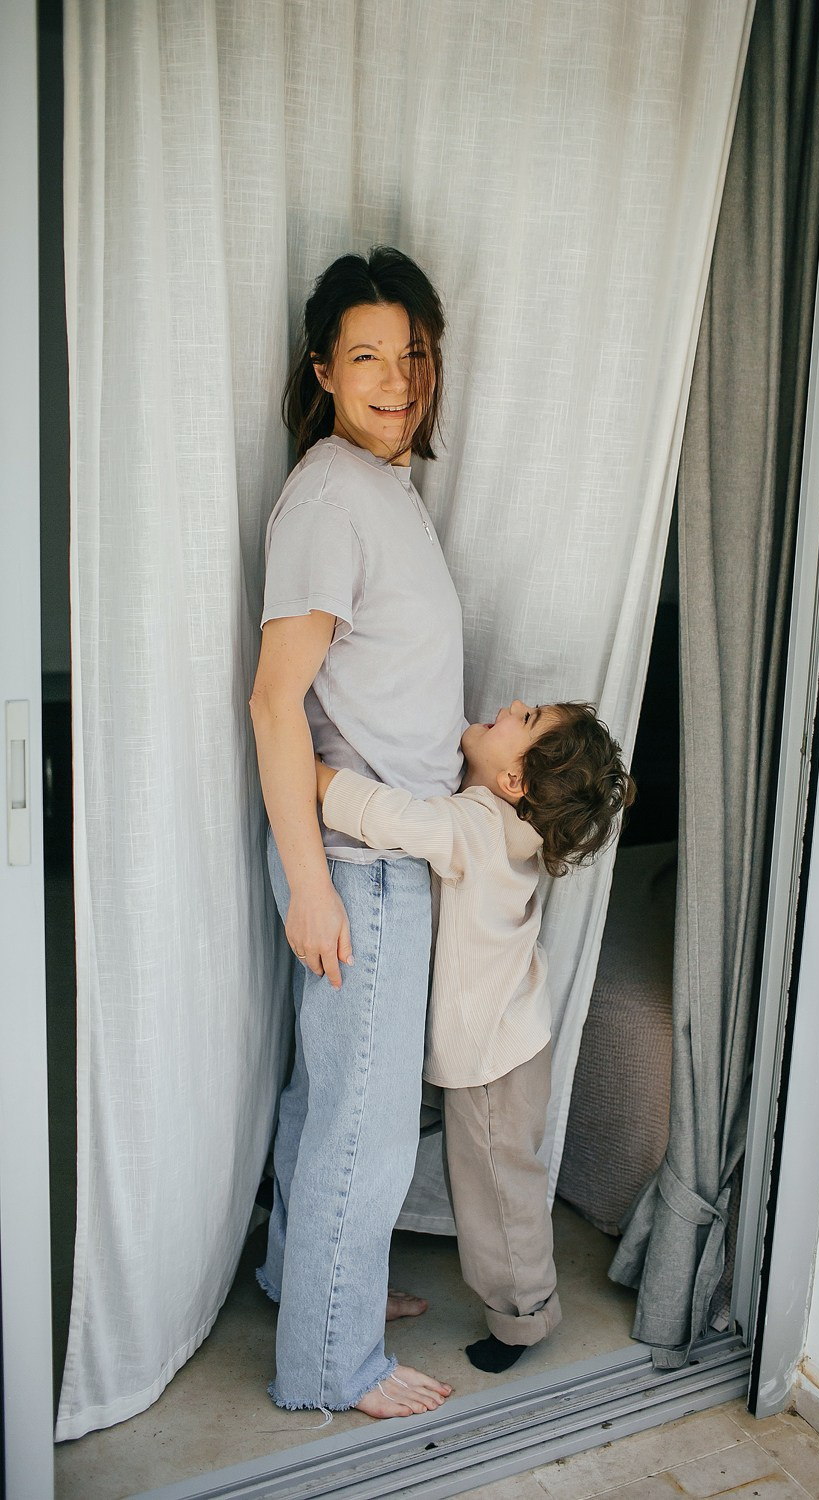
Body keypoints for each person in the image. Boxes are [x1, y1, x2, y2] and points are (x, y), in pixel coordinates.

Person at [249, 246, 465, 1418]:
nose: (397, 378)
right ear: (323, 368)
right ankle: (333, 1366)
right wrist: (308, 885)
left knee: (322, 1099)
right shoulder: (332, 493)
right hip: (357, 868)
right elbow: (274, 700)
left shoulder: (377, 486)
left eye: (413, 352)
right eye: (368, 355)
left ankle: (312, 1280)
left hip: (378, 854)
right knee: (365, 1129)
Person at [315, 697, 635, 1373]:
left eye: (526, 718)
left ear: (514, 782)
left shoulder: (478, 824)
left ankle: (523, 1319)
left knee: (496, 1195)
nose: (511, 704)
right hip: (508, 1040)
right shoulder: (505, 824)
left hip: (494, 1059)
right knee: (494, 1181)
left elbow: (386, 817)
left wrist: (306, 772)